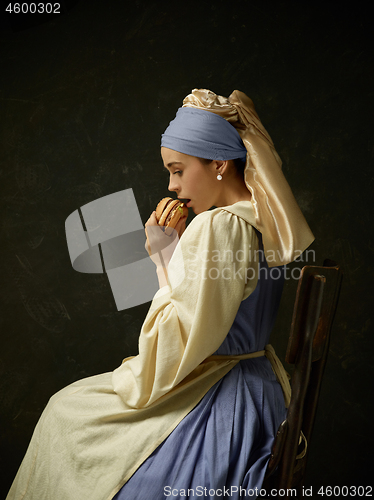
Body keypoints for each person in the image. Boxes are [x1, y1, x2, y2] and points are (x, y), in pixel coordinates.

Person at [7, 89, 314, 500]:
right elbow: (206, 314)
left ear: (219, 164)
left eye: (178, 170)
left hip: (219, 398)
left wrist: (162, 260)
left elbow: (182, 336)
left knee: (65, 414)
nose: (172, 186)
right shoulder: (260, 222)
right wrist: (167, 254)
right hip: (258, 392)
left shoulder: (217, 226)